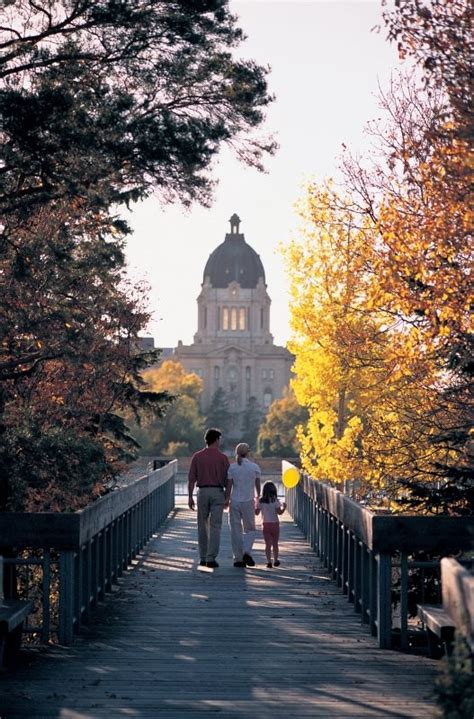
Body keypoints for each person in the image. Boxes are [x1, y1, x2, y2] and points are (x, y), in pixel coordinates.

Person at [188, 428, 230, 568]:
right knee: (215, 526)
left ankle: (202, 557)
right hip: (218, 492)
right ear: (216, 439)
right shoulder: (223, 458)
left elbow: (191, 479)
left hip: (202, 492)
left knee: (202, 525)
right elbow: (229, 479)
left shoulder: (197, 456)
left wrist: (189, 497)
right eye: (219, 439)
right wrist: (227, 496)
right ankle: (211, 558)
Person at [226, 443, 261, 568]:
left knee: (235, 531)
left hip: (234, 501)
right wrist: (258, 499)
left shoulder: (232, 468)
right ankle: (247, 551)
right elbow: (258, 487)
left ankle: (238, 559)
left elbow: (229, 486)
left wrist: (226, 500)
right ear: (248, 453)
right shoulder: (254, 467)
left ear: (236, 453)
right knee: (250, 529)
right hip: (248, 501)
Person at [255, 481, 286, 568]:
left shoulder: (261, 501)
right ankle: (275, 560)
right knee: (275, 543)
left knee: (268, 544)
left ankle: (269, 561)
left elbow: (256, 513)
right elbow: (279, 512)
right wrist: (284, 508)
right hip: (275, 524)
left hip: (266, 525)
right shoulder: (275, 500)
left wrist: (255, 505)